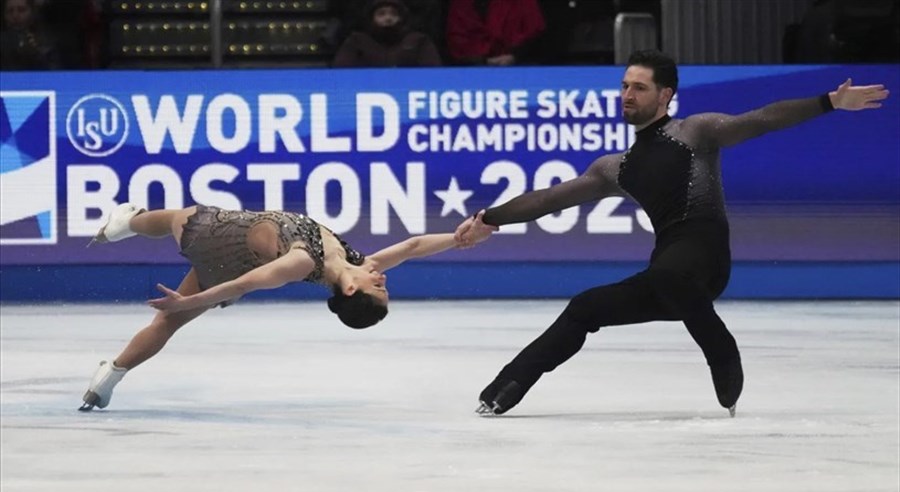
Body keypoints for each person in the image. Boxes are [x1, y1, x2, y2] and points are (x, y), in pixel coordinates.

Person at [455, 49, 890, 417]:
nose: (627, 95)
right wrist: (489, 218)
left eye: (639, 88)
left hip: (704, 260)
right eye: (625, 85)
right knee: (585, 307)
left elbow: (760, 120)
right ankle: (504, 389)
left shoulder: (694, 133)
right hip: (670, 274)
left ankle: (721, 349)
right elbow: (551, 199)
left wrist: (829, 102)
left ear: (665, 95)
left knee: (667, 275)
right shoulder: (616, 167)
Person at [79, 204, 495, 411]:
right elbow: (412, 247)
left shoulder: (303, 263)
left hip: (216, 237)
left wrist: (191, 300)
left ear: (352, 292)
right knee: (168, 324)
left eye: (379, 289)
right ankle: (109, 376)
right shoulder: (359, 264)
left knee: (179, 216)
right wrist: (461, 238)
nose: (383, 279)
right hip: (236, 260)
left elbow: (245, 283)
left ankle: (125, 223)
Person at [332, 0, 441, 68]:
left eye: (394, 14)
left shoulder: (418, 42)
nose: (388, 18)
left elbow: (434, 74)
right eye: (381, 14)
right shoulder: (356, 42)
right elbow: (341, 73)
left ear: (401, 18)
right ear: (372, 18)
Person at [445, 0, 545, 66]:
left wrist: (514, 57)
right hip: (471, 72)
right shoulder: (461, 5)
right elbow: (456, 41)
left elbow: (535, 34)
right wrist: (483, 61)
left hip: (520, 68)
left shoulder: (521, 3)